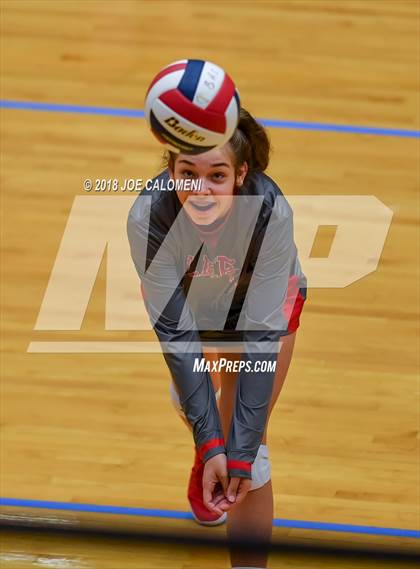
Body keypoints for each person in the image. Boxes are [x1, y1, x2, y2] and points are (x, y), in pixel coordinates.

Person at [127, 108, 307, 569]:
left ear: (241, 174)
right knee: (201, 412)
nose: (200, 189)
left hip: (261, 316)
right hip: (200, 309)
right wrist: (209, 443)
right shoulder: (148, 216)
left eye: (217, 175)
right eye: (188, 173)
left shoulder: (271, 213)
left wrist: (236, 452)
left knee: (248, 449)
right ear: (171, 170)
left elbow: (263, 336)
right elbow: (176, 336)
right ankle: (204, 447)